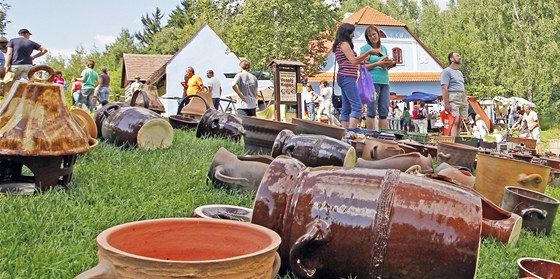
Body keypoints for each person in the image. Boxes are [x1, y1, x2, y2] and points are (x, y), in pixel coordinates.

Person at [333, 23, 381, 129]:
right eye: (352, 33)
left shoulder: (340, 45)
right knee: (357, 106)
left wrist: (362, 59)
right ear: (346, 33)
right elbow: (354, 61)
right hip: (347, 77)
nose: (353, 35)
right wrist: (369, 52)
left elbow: (352, 61)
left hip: (344, 77)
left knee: (346, 107)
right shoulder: (344, 44)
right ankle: (351, 132)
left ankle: (345, 132)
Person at [360, 25, 394, 130]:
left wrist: (390, 64)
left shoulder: (383, 48)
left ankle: (382, 134)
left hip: (384, 80)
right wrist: (377, 64)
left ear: (378, 34)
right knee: (372, 109)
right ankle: (371, 133)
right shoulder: (366, 48)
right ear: (367, 38)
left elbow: (385, 65)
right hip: (372, 81)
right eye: (370, 36)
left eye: (374, 34)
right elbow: (362, 67)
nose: (373, 37)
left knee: (384, 109)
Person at [441, 52, 468, 137]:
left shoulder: (459, 72)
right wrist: (447, 103)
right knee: (454, 120)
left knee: (460, 121)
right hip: (453, 96)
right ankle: (453, 142)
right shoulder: (446, 71)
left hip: (462, 96)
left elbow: (461, 85)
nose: (460, 57)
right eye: (457, 56)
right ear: (451, 59)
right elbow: (444, 87)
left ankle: (458, 140)